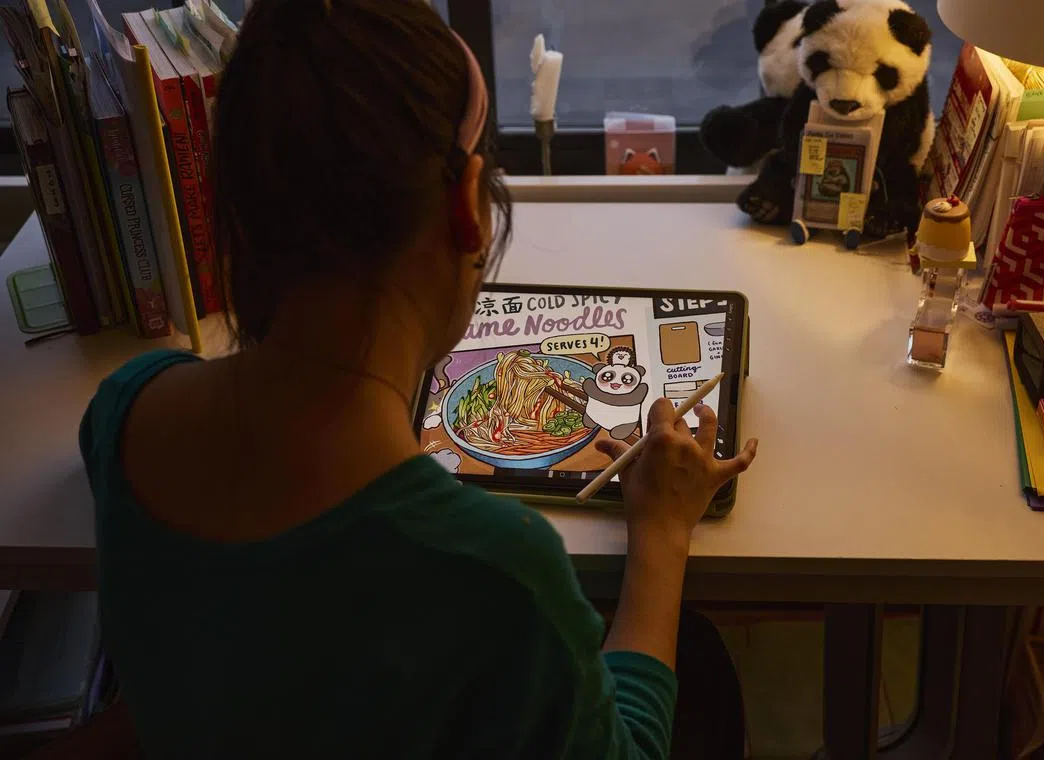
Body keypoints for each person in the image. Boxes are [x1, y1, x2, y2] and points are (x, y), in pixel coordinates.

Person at [78, 1, 759, 757]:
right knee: (702, 664)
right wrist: (661, 535)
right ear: (468, 207)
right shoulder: (495, 570)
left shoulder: (125, 410)